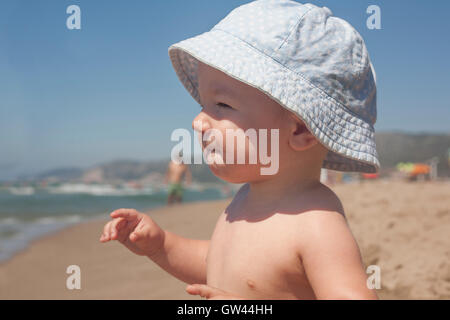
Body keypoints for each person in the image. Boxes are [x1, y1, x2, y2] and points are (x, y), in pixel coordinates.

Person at [100, 0, 380, 299]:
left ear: (300, 129)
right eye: (202, 106)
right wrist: (162, 246)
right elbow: (218, 263)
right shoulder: (245, 198)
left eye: (222, 105)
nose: (197, 122)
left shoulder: (317, 223)